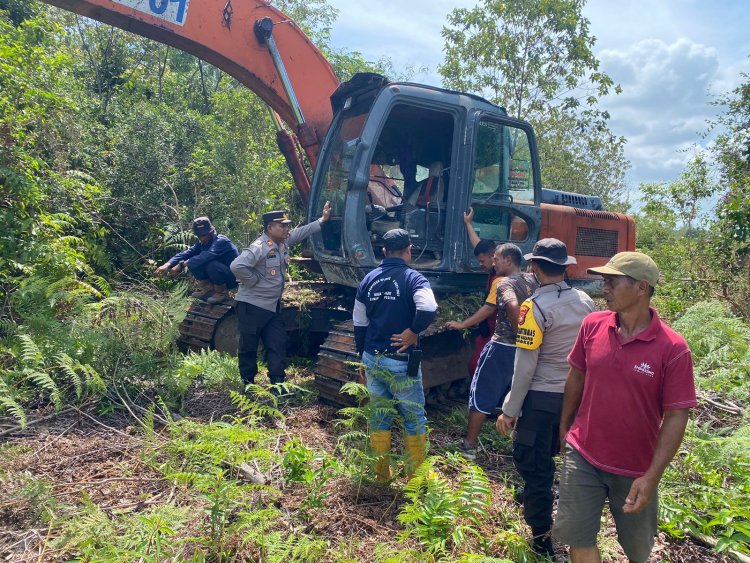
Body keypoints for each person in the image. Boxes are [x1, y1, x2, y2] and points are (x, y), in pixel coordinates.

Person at [553, 252, 696, 563]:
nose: (603, 287)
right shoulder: (593, 325)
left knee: (637, 550)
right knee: (578, 537)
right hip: (584, 455)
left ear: (641, 287)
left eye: (612, 281)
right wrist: (566, 426)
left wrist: (652, 476)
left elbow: (676, 415)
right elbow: (576, 375)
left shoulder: (672, 348)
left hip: (635, 470)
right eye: (604, 281)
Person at [496, 238, 595, 560]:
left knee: (534, 465)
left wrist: (510, 410)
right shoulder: (585, 301)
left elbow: (526, 366)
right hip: (575, 398)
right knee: (559, 458)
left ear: (535, 268)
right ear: (565, 268)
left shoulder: (534, 307)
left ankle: (541, 536)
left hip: (540, 400)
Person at [353, 228, 438, 483]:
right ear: (409, 250)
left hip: (373, 358)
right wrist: (413, 331)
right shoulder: (414, 278)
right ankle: (417, 478)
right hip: (401, 361)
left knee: (379, 416)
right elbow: (429, 307)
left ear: (383, 252)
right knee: (413, 417)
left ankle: (381, 474)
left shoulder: (368, 280)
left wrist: (361, 358)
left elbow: (359, 323)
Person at [448, 243, 537, 461]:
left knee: (481, 394)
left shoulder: (504, 282)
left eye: (496, 258)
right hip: (529, 349)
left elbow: (511, 305)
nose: (493, 262)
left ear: (508, 259)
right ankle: (520, 448)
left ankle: (469, 445)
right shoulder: (533, 280)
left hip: (502, 346)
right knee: (523, 394)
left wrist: (518, 331)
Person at [230, 203, 331, 389]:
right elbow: (237, 266)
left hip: (272, 307)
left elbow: (301, 232)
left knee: (277, 343)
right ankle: (248, 384)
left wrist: (322, 220)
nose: (287, 229)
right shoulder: (259, 247)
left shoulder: (282, 242)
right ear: (270, 228)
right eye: (282, 226)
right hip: (251, 307)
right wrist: (252, 281)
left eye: (287, 225)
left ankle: (277, 384)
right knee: (249, 347)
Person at [448, 206, 499, 376]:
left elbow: (489, 308)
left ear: (494, 257)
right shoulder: (493, 264)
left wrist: (463, 324)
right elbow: (477, 244)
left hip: (496, 331)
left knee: (477, 366)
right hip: (486, 331)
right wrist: (468, 223)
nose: (480, 264)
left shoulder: (500, 279)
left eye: (482, 261)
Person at [155, 216, 239, 304]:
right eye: (199, 236)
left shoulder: (221, 241)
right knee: (193, 262)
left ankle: (221, 293)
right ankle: (208, 290)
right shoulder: (202, 243)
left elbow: (206, 256)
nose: (201, 238)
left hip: (232, 278)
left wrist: (182, 265)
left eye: (204, 235)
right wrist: (168, 264)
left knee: (209, 264)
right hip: (218, 276)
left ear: (211, 232)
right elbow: (186, 253)